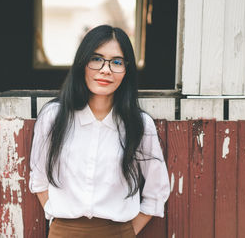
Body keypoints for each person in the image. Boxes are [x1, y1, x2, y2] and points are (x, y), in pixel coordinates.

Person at [29, 25, 170, 238]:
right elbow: (39, 179)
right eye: (96, 59)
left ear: (126, 70)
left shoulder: (139, 125)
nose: (106, 70)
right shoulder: (54, 117)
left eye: (116, 62)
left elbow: (156, 191)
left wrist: (127, 232)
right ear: (82, 63)